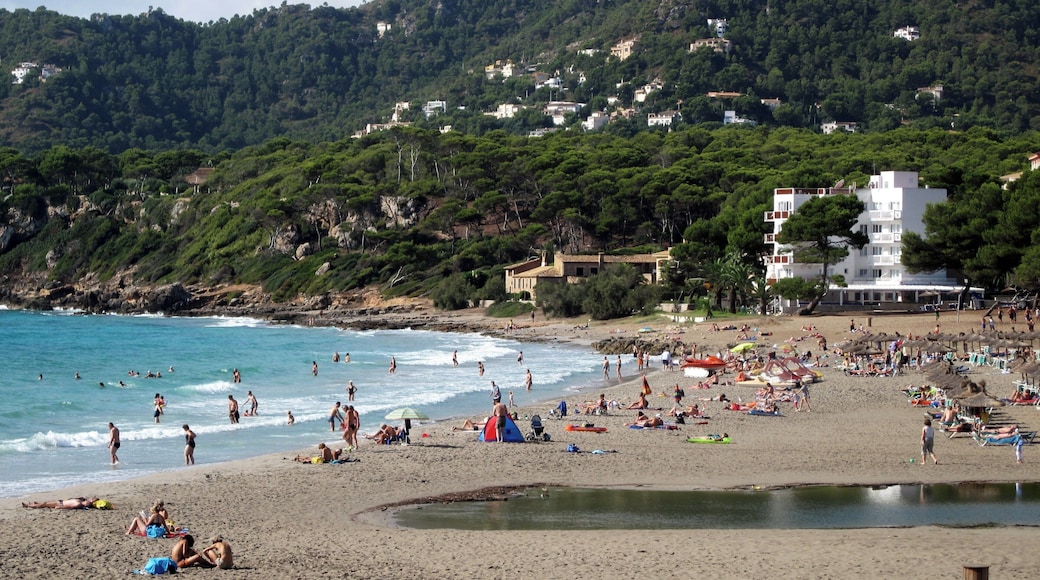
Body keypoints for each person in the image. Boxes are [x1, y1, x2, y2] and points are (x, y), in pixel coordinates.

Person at [23, 497, 99, 510]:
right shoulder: (81, 500)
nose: (88, 500)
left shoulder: (78, 504)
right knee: (45, 503)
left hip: (60, 504)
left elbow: (69, 507)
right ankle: (33, 504)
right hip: (61, 501)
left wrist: (60, 507)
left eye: (88, 502)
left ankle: (28, 505)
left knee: (44, 504)